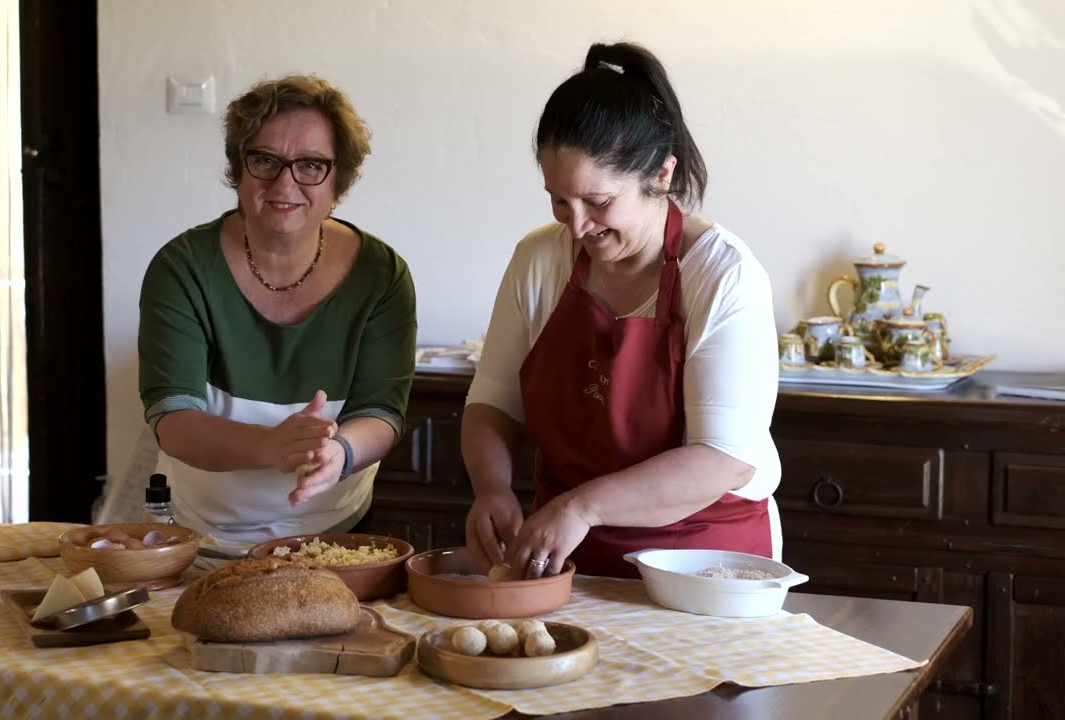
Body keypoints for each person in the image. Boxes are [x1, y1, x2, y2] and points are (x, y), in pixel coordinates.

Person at [462, 43, 781, 580]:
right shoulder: (539, 261)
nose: (578, 225)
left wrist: (581, 507)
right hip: (564, 561)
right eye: (560, 200)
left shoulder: (724, 274)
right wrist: (492, 487)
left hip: (703, 565)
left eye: (599, 201)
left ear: (661, 174)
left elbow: (723, 458)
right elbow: (492, 404)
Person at [138, 74, 416, 557]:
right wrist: (272, 446)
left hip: (335, 540)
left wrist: (340, 452)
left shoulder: (382, 276)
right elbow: (173, 419)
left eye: (311, 165)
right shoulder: (181, 269)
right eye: (265, 160)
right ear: (239, 169)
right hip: (199, 539)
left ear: (338, 180)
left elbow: (380, 413)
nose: (285, 183)